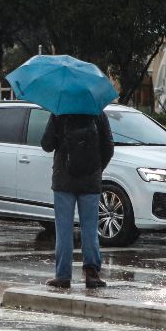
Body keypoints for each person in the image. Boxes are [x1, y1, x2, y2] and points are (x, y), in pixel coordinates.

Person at [41, 111, 114, 289]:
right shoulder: (98, 114)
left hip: (63, 181)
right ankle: (92, 274)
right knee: (90, 228)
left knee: (64, 229)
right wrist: (96, 169)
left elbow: (46, 145)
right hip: (90, 182)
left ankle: (63, 276)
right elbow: (109, 148)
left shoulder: (59, 113)